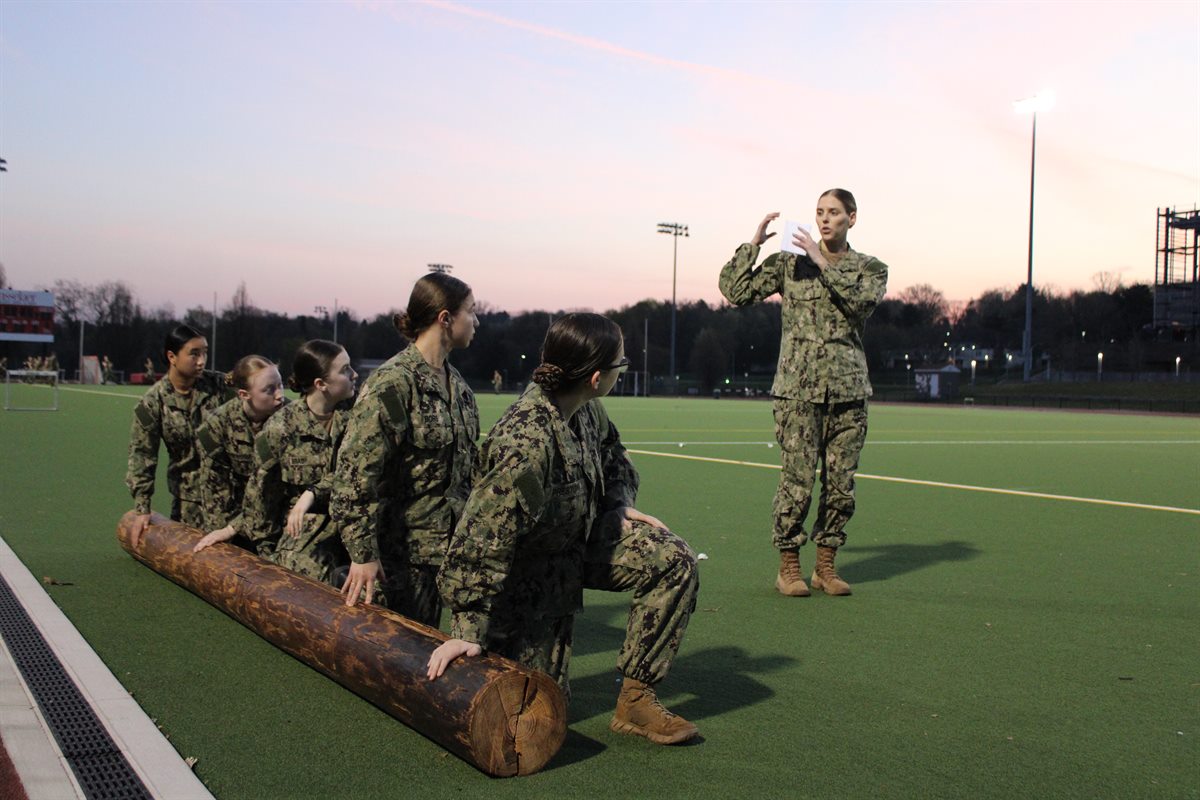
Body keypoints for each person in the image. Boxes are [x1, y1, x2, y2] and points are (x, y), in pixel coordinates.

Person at [429, 313, 700, 745]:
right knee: (535, 718)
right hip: (524, 580)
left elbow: (616, 458)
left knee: (673, 561)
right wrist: (465, 632)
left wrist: (617, 505)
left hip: (576, 542)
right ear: (596, 377)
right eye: (619, 365)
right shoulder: (528, 442)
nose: (622, 371)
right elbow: (478, 541)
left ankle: (636, 700)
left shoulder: (588, 410)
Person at [718, 189, 888, 596]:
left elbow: (861, 302)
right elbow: (736, 291)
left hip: (848, 390)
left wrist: (820, 259)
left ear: (852, 218)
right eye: (819, 212)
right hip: (797, 391)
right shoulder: (789, 264)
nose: (825, 220)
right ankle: (788, 567)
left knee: (840, 484)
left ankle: (826, 566)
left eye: (834, 213)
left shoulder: (869, 268)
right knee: (797, 481)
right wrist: (753, 244)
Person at [332, 272, 480, 623]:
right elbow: (354, 475)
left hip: (441, 555)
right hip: (395, 561)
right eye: (471, 311)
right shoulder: (393, 383)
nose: (476, 320)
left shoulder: (458, 388)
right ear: (445, 318)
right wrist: (363, 554)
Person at [231, 340, 358, 584]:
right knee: (295, 580)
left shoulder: (361, 415)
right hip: (310, 526)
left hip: (358, 521)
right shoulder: (280, 428)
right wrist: (267, 554)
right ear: (320, 384)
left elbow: (356, 473)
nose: (354, 374)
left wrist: (312, 493)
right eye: (344, 370)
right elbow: (261, 495)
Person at [125, 324, 233, 548]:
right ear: (172, 357)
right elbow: (142, 454)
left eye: (204, 353)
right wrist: (142, 508)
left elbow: (260, 394)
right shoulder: (153, 402)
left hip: (230, 498)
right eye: (194, 354)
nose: (202, 361)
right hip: (188, 503)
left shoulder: (221, 387)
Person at [191, 355, 286, 553]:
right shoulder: (217, 424)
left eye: (280, 384)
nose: (279, 395)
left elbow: (278, 489)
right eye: (269, 390)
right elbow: (214, 487)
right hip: (237, 510)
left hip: (280, 510)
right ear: (244, 394)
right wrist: (221, 532)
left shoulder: (291, 419)